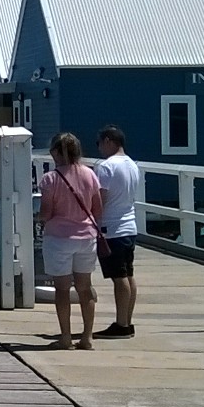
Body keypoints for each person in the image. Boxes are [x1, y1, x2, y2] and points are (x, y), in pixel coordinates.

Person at [36, 132, 102, 350]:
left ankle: (65, 337)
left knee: (62, 289)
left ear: (56, 152)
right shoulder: (89, 174)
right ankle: (87, 337)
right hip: (86, 237)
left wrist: (37, 217)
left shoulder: (50, 179)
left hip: (59, 239)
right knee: (85, 288)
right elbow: (97, 209)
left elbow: (46, 213)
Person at [93, 125, 140, 338]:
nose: (99, 148)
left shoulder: (106, 166)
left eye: (99, 143)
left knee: (119, 277)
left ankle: (121, 325)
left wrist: (92, 221)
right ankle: (127, 322)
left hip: (112, 228)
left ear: (108, 141)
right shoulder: (132, 165)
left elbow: (100, 199)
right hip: (129, 225)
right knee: (128, 275)